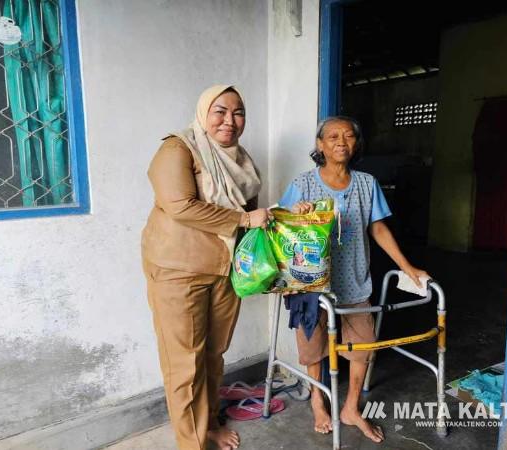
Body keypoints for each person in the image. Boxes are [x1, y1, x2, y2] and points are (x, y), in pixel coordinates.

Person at [278, 115, 430, 443]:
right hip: (313, 284)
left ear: (356, 144)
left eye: (348, 136)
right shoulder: (303, 184)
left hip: (355, 282)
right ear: (320, 145)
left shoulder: (366, 183)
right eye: (332, 136)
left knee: (363, 348)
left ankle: (351, 408)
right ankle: (318, 402)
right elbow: (281, 228)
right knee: (314, 347)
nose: (341, 142)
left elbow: (377, 227)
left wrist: (407, 266)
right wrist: (296, 216)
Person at [141, 85, 271, 450]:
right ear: (203, 112)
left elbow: (254, 219)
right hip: (177, 269)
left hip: (225, 269)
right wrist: (245, 219)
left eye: (238, 112)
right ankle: (192, 443)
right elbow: (179, 204)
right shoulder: (178, 148)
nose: (229, 121)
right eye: (220, 111)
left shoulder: (240, 159)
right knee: (184, 361)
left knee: (214, 353)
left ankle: (209, 423)